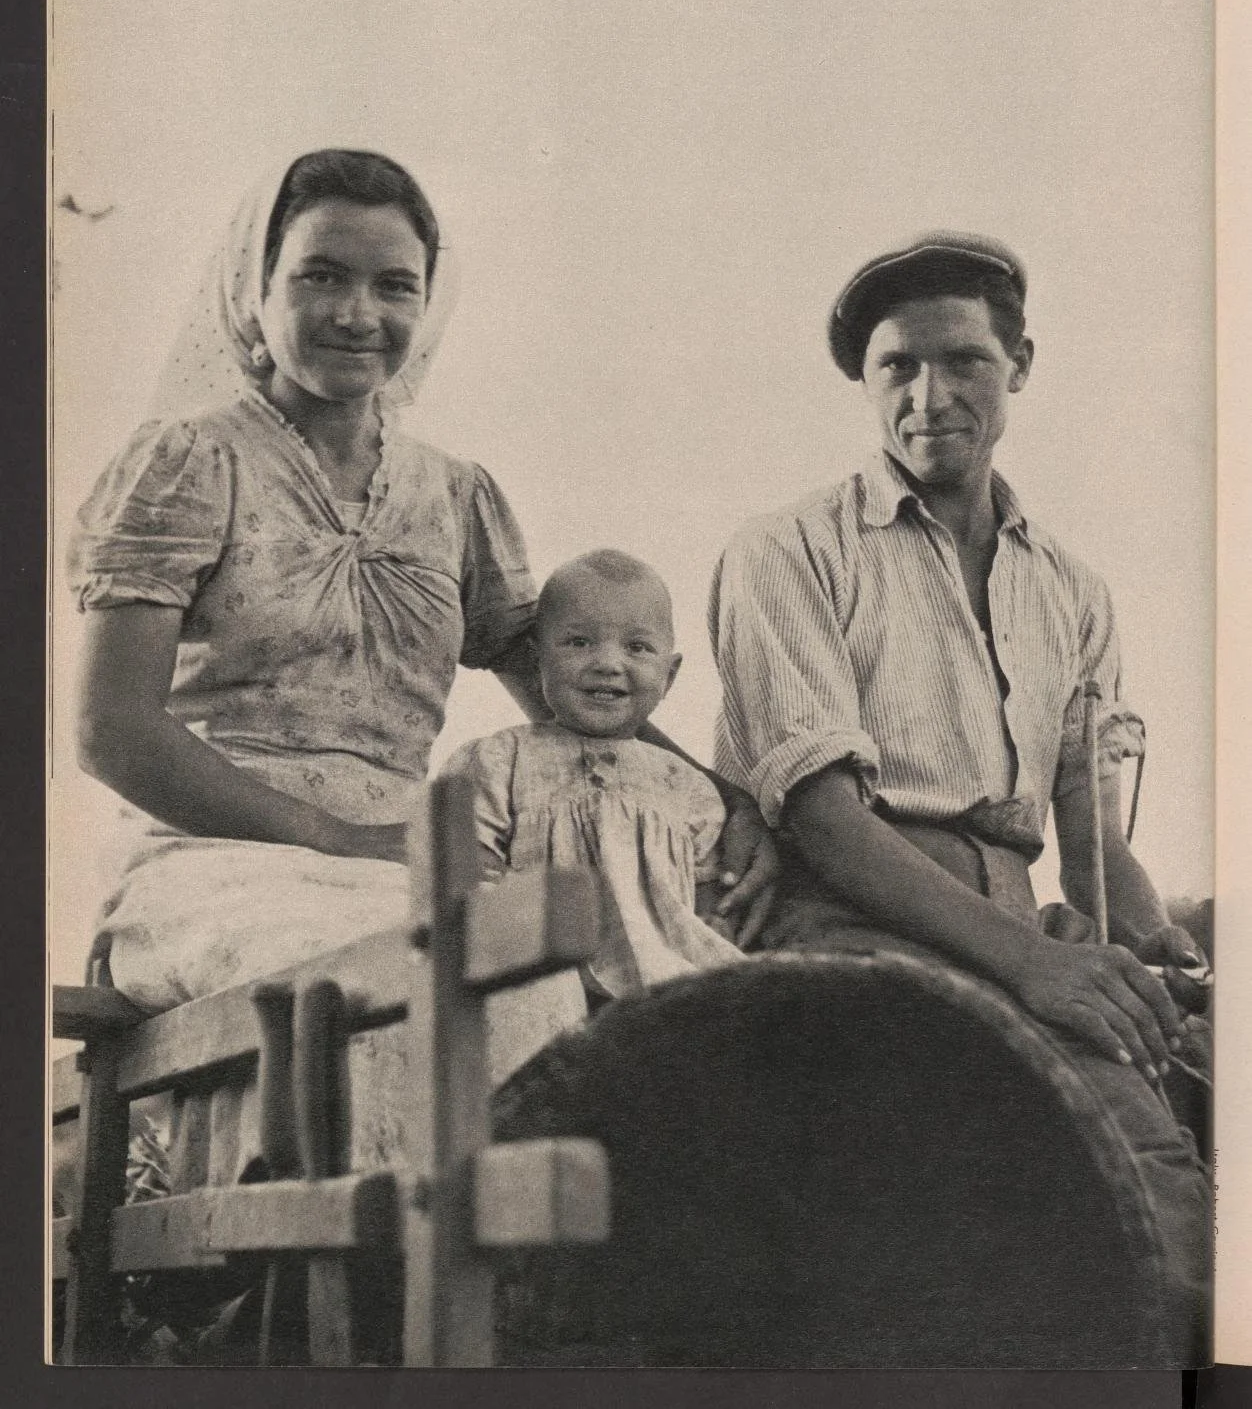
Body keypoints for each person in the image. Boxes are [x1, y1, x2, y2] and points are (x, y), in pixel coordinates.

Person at [68, 146, 776, 1015]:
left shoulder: (452, 494)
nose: (357, 313)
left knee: (570, 976)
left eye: (395, 286)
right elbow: (111, 729)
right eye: (321, 275)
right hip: (210, 865)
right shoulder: (192, 461)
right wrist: (339, 836)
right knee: (415, 986)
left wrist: (728, 802)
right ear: (256, 287)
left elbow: (567, 688)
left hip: (404, 868)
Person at [707, 230, 1210, 1358]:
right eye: (897, 366)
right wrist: (1036, 965)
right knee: (956, 1194)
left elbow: (1091, 834)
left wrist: (1154, 948)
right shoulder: (786, 549)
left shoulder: (1072, 588)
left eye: (964, 360)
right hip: (853, 919)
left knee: (1160, 1200)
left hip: (1022, 928)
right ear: (865, 381)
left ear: (1019, 364)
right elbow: (826, 821)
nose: (929, 396)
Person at [444, 551, 746, 1003]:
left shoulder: (687, 788)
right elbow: (469, 871)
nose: (607, 662)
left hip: (665, 986)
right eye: (579, 642)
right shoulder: (497, 759)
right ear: (538, 661)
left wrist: (716, 927)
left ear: (669, 675)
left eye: (637, 647)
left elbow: (707, 903)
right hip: (539, 974)